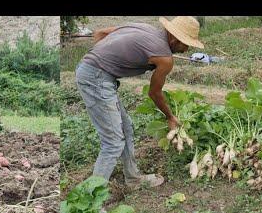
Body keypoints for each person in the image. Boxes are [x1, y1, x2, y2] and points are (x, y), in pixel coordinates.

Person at [75, 16, 205, 188]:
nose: (186, 49)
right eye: (186, 44)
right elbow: (154, 93)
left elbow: (105, 33)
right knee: (113, 142)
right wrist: (170, 117)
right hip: (96, 78)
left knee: (125, 128)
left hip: (96, 73)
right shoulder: (165, 58)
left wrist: (106, 56)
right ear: (175, 39)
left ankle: (133, 179)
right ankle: (90, 200)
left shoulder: (146, 29)